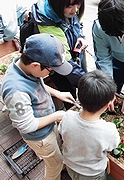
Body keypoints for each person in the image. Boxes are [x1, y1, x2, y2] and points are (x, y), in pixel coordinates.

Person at [0, 33, 76, 180]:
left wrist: (57, 93)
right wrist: (56, 116)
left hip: (47, 125)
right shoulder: (16, 90)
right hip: (40, 137)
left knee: (56, 154)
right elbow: (26, 125)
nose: (52, 73)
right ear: (35, 65)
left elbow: (37, 86)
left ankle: (59, 161)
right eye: (51, 70)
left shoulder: (24, 68)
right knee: (53, 165)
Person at [58, 69, 120, 180]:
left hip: (71, 166)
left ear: (79, 97)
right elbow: (113, 146)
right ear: (107, 105)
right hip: (93, 174)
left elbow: (61, 132)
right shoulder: (108, 130)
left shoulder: (67, 117)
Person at [29, 0, 88, 109]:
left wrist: (80, 36)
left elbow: (78, 23)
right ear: (57, 4)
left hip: (73, 54)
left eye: (78, 4)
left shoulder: (71, 11)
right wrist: (90, 85)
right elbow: (63, 61)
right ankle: (71, 110)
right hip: (59, 62)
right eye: (69, 6)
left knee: (82, 80)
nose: (75, 10)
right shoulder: (46, 21)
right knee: (68, 91)